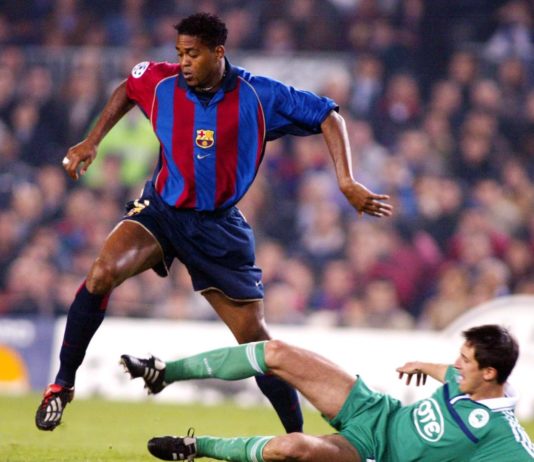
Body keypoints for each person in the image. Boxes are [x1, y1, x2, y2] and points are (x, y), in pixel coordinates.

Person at [35, 12, 393, 432]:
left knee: (256, 344)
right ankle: (62, 384)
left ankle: (297, 439)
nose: (184, 62)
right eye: (180, 53)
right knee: (101, 273)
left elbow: (330, 117)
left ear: (218, 52)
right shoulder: (162, 82)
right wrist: (93, 140)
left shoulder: (259, 95)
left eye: (193, 54)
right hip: (163, 212)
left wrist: (346, 180)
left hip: (218, 229)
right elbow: (128, 88)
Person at [120, 324, 534, 461]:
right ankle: (164, 373)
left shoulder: (504, 436)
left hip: (371, 453)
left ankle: (196, 447)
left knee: (290, 448)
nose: (456, 366)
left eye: (465, 361)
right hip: (378, 411)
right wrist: (421, 365)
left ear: (490, 373)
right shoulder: (469, 379)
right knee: (277, 352)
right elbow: (448, 372)